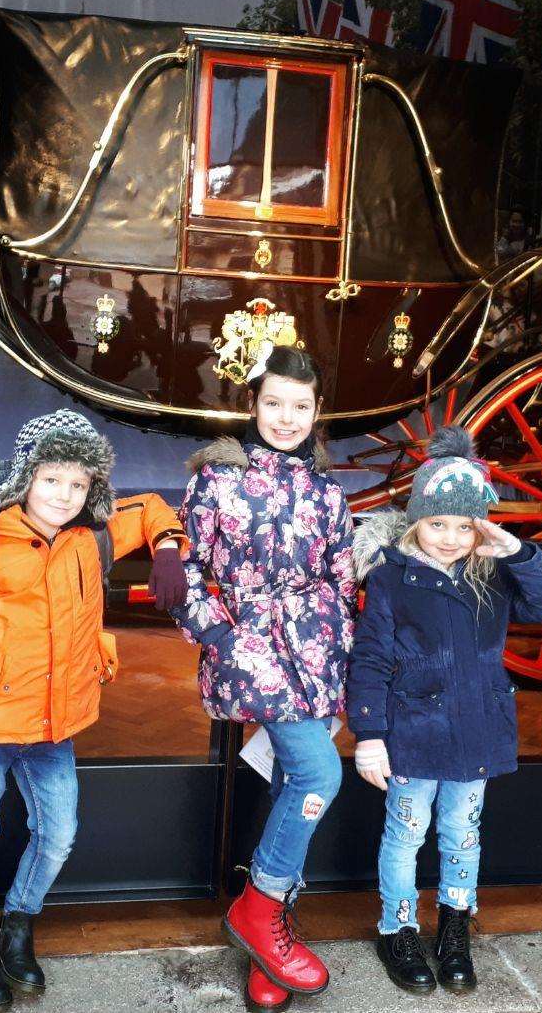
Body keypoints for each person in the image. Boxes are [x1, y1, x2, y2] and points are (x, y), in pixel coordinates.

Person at [0, 409, 188, 1010]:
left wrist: (167, 549)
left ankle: (18, 925)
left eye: (79, 483)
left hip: (56, 722)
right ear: (26, 478)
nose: (64, 494)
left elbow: (156, 510)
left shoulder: (96, 536)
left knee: (57, 835)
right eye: (52, 479)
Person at [346, 427, 542, 993]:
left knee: (462, 834)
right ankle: (397, 927)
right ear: (416, 517)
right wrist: (369, 734)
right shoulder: (393, 577)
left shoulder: (493, 573)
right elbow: (369, 658)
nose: (448, 538)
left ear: (481, 527)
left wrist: (517, 551)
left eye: (463, 526)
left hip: (475, 730)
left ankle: (454, 927)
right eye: (437, 523)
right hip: (413, 734)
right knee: (405, 833)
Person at [171, 346, 356, 1012]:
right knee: (318, 776)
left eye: (299, 406)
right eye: (273, 403)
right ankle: (259, 912)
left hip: (317, 654)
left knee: (286, 782)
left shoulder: (327, 493)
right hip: (252, 647)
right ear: (252, 403)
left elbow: (340, 580)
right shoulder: (217, 483)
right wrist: (223, 636)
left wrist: (342, 658)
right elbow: (189, 572)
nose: (285, 417)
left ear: (316, 412)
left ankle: (265, 947)